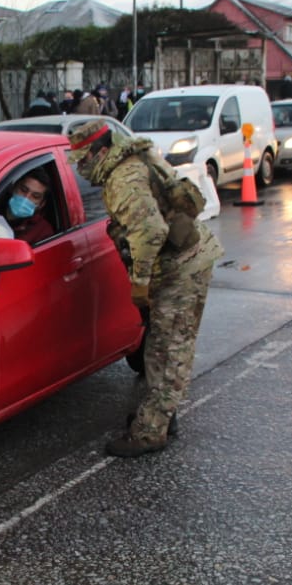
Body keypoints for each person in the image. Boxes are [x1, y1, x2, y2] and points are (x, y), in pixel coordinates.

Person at [67, 119, 223, 458]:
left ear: (102, 151)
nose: (80, 168)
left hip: (180, 268)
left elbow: (150, 231)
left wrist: (141, 280)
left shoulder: (124, 179)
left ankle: (151, 433)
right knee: (159, 344)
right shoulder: (128, 162)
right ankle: (161, 417)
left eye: (84, 160)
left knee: (168, 351)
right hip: (178, 262)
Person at [0, 170, 54, 246]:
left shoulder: (42, 231)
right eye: (23, 190)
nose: (26, 197)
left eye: (35, 196)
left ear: (41, 204)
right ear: (14, 188)